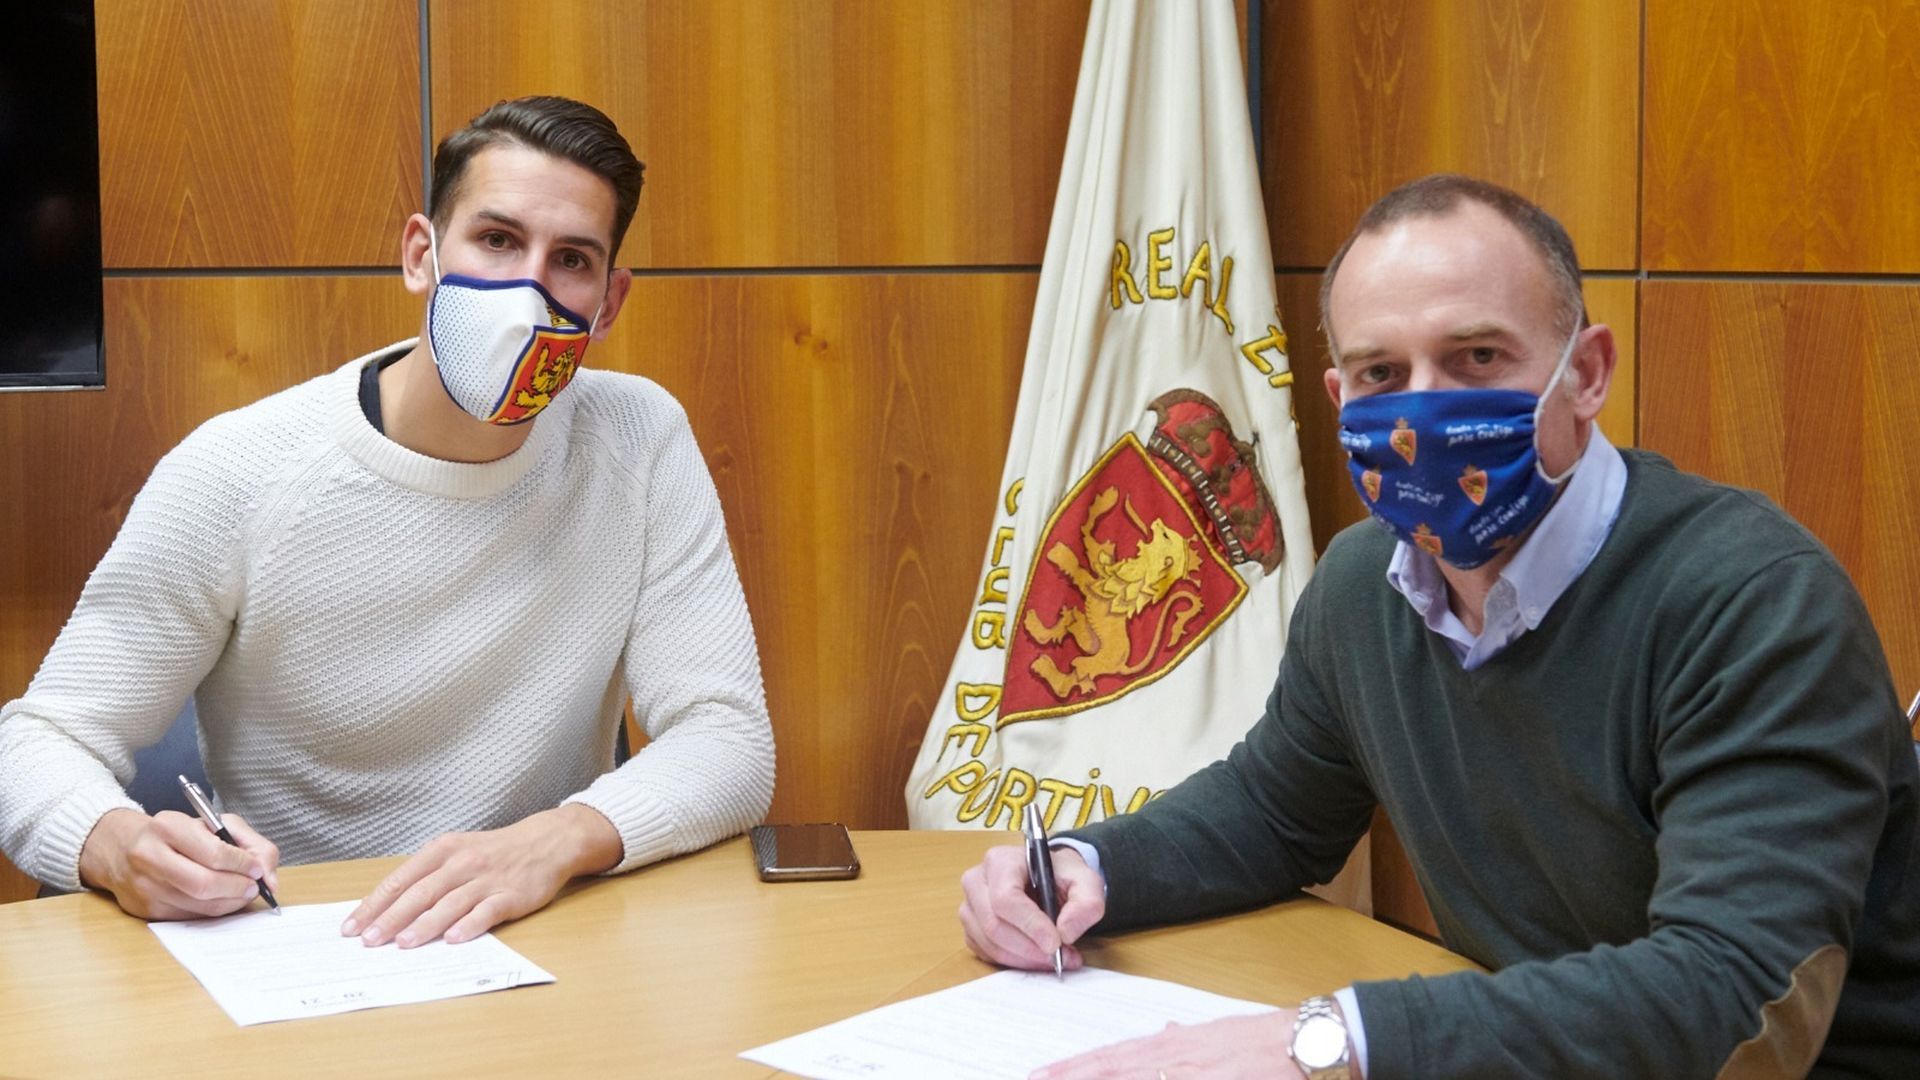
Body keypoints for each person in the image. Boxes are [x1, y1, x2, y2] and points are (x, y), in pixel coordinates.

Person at [958, 175, 1920, 1078]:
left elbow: (1739, 995)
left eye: (1478, 357)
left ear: (1586, 373)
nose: (1424, 407)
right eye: (1382, 373)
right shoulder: (1360, 586)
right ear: (1339, 402)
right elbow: (1272, 814)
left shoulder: (1751, 600)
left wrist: (1332, 1042)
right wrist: (1080, 868)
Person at [0, 97, 775, 950]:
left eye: (573, 260)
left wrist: (554, 843)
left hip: (537, 939)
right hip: (299, 945)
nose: (528, 291)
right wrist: (118, 845)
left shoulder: (639, 436)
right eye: (497, 240)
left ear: (608, 303)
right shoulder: (239, 469)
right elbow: (39, 740)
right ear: (422, 256)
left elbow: (727, 739)